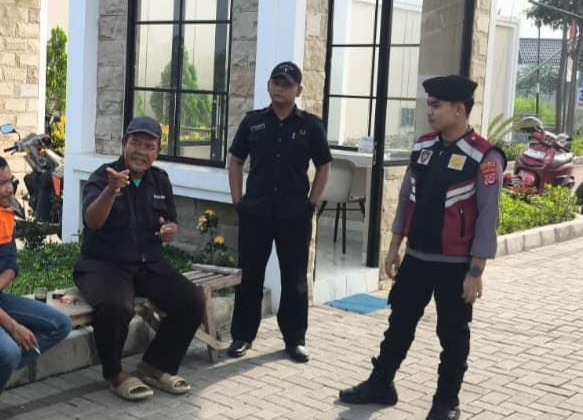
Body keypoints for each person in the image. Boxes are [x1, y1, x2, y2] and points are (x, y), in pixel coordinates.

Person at [339, 75, 506, 420]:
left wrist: (476, 271)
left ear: (459, 109)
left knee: (453, 335)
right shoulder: (423, 146)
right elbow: (406, 199)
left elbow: (488, 218)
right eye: (429, 104)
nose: (429, 111)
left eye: (436, 105)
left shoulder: (484, 156)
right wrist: (393, 247)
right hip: (416, 258)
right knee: (399, 323)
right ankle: (381, 384)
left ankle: (446, 403)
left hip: (455, 265)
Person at [74, 117, 203, 402]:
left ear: (157, 151)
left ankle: (156, 366)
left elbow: (170, 221)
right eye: (136, 143)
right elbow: (92, 221)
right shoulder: (103, 177)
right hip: (104, 266)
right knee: (115, 307)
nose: (141, 152)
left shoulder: (160, 180)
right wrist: (111, 190)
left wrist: (170, 231)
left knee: (193, 300)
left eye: (149, 146)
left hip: (148, 264)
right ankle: (115, 374)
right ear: (124, 144)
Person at [227, 61, 332, 363]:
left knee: (295, 279)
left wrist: (311, 203)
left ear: (298, 90)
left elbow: (324, 165)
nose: (279, 89)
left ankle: (295, 339)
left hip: (294, 215)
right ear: (268, 86)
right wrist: (238, 200)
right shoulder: (253, 122)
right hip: (256, 213)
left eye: (286, 84)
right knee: (250, 277)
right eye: (276, 83)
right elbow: (235, 160)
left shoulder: (310, 126)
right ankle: (242, 336)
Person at [0, 157, 71, 392]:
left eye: (10, 181)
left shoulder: (5, 217)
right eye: (1, 184)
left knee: (60, 324)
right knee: (9, 351)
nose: (9, 189)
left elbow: (11, 265)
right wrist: (14, 327)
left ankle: (5, 365)